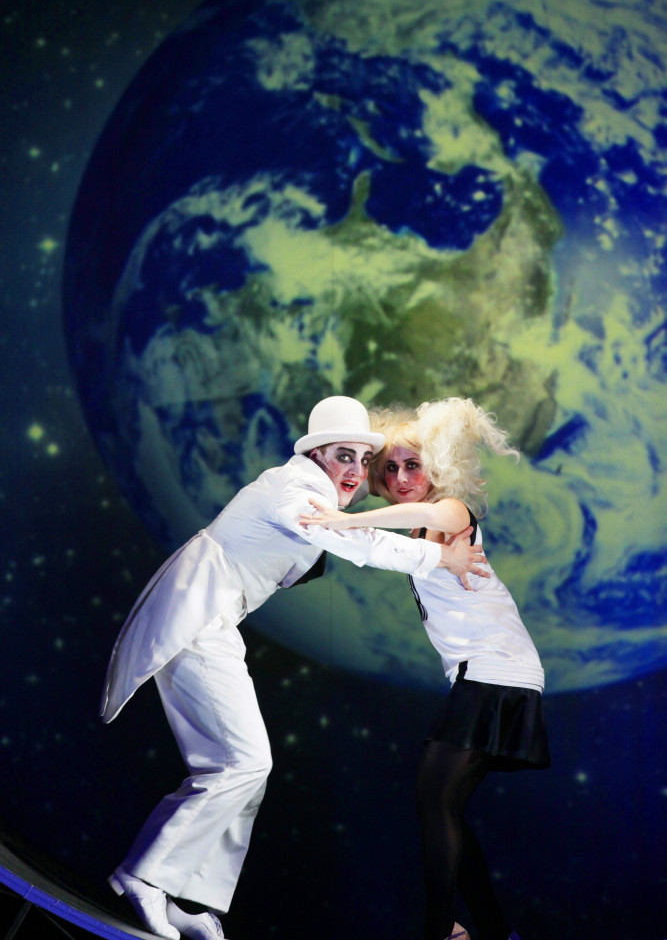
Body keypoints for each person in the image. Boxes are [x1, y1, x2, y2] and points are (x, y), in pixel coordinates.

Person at [100, 395, 487, 940]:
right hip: (198, 616)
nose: (353, 471)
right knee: (243, 763)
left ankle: (183, 894)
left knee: (242, 767)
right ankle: (145, 876)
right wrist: (437, 556)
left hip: (215, 621)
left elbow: (339, 535)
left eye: (360, 459)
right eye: (342, 455)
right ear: (316, 453)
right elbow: (355, 541)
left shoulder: (310, 489)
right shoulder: (297, 490)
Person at [300, 397, 550, 940]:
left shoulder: (452, 511)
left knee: (434, 798)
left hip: (496, 671)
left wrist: (346, 516)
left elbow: (420, 515)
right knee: (444, 806)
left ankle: (442, 928)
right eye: (388, 468)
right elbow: (373, 542)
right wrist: (334, 511)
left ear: (436, 467)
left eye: (413, 464)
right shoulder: (412, 535)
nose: (401, 477)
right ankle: (492, 931)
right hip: (484, 674)